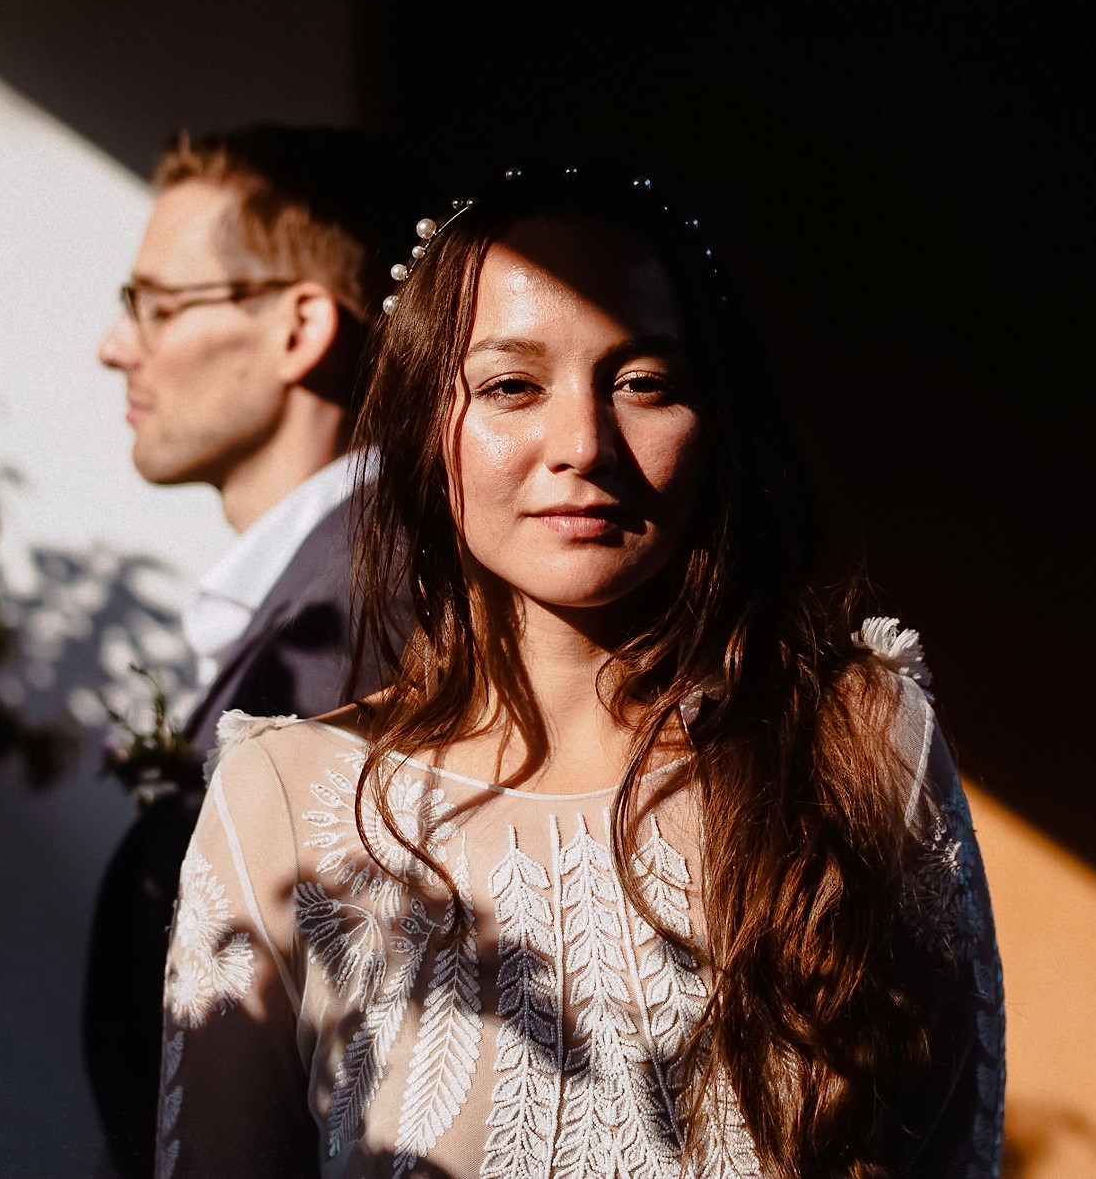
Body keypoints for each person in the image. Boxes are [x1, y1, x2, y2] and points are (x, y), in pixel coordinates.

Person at [154, 171, 1005, 1179]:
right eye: (512, 386)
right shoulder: (288, 794)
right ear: (431, 427)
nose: (584, 445)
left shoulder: (856, 736)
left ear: (715, 420)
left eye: (643, 381)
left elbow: (954, 1145)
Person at [85, 125, 414, 1179]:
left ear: (297, 326)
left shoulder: (363, 621)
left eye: (157, 305)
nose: (115, 345)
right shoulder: (324, 593)